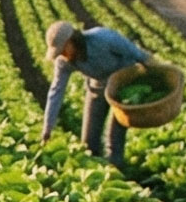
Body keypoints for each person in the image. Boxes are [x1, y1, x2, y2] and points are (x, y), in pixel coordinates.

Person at [41, 20, 154, 165]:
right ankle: (96, 174)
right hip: (97, 88)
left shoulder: (103, 38)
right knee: (88, 142)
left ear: (72, 40)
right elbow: (56, 90)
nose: (61, 55)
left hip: (122, 87)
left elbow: (137, 54)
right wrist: (47, 129)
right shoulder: (64, 61)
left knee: (115, 138)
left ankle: (116, 171)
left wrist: (156, 72)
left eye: (63, 49)